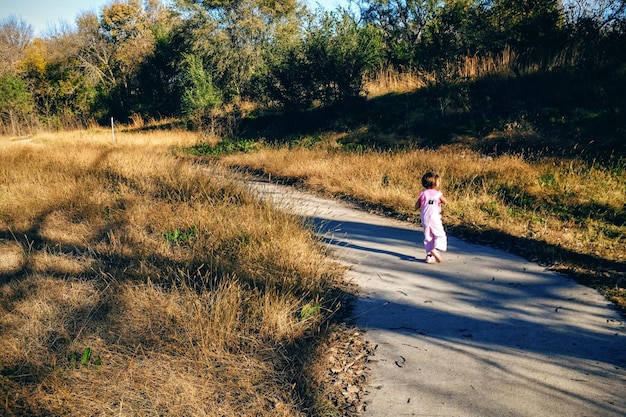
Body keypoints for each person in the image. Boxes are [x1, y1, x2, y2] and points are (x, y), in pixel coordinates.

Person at [415, 171, 448, 263]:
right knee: (439, 234)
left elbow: (417, 205)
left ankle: (429, 255)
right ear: (434, 183)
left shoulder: (423, 194)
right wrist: (439, 202)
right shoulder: (438, 194)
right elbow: (445, 201)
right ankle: (436, 250)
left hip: (425, 217)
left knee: (428, 236)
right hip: (434, 217)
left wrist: (418, 207)